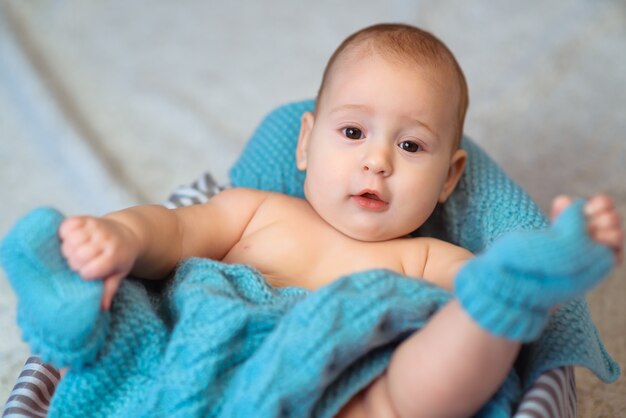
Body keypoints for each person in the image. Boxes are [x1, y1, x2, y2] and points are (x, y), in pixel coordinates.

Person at [55, 24, 623, 417]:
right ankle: (60, 304)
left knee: (418, 386)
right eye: (353, 133)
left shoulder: (422, 256)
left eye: (411, 145)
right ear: (305, 143)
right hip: (217, 367)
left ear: (449, 179)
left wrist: (488, 295)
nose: (378, 160)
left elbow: (461, 311)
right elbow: (173, 231)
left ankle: (517, 290)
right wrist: (123, 236)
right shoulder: (255, 210)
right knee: (130, 336)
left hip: (352, 396)